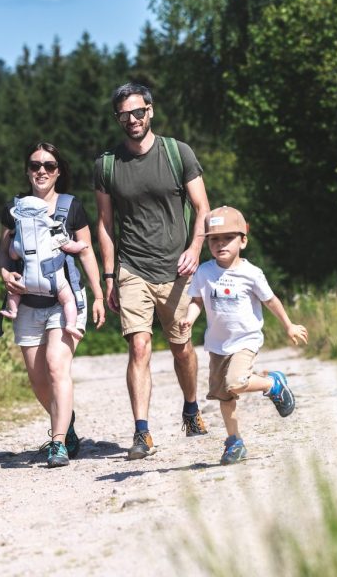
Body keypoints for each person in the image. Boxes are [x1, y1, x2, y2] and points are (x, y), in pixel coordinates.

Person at [94, 82, 211, 460]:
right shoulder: (107, 165)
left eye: (138, 112)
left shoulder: (178, 153)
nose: (132, 120)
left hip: (176, 268)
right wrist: (109, 276)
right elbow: (104, 225)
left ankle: (191, 409)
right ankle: (142, 432)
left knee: (181, 348)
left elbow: (202, 208)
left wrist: (195, 249)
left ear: (151, 111)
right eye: (124, 115)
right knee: (139, 346)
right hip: (132, 268)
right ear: (117, 119)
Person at [0, 142, 105, 468]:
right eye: (34, 165)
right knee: (38, 379)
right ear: (27, 170)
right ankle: (66, 422)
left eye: (48, 165)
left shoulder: (71, 207)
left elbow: (86, 251)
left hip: (65, 299)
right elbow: (5, 251)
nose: (41, 170)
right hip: (27, 304)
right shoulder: (14, 208)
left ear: (58, 171)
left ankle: (57, 443)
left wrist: (99, 294)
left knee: (57, 366)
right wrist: (5, 274)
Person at [179, 205, 309, 465]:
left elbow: (271, 301)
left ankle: (273, 384)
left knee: (236, 382)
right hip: (217, 345)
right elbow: (197, 301)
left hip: (245, 340)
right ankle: (234, 442)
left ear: (243, 241)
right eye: (214, 239)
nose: (220, 244)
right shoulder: (204, 272)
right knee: (224, 396)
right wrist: (188, 320)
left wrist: (288, 325)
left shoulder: (251, 273)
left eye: (228, 238)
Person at [0, 194, 88, 342]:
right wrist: (80, 245)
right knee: (68, 300)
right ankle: (71, 324)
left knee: (13, 290)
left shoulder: (19, 236)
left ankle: (13, 310)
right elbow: (68, 246)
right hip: (54, 281)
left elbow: (12, 255)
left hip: (27, 283)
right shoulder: (52, 228)